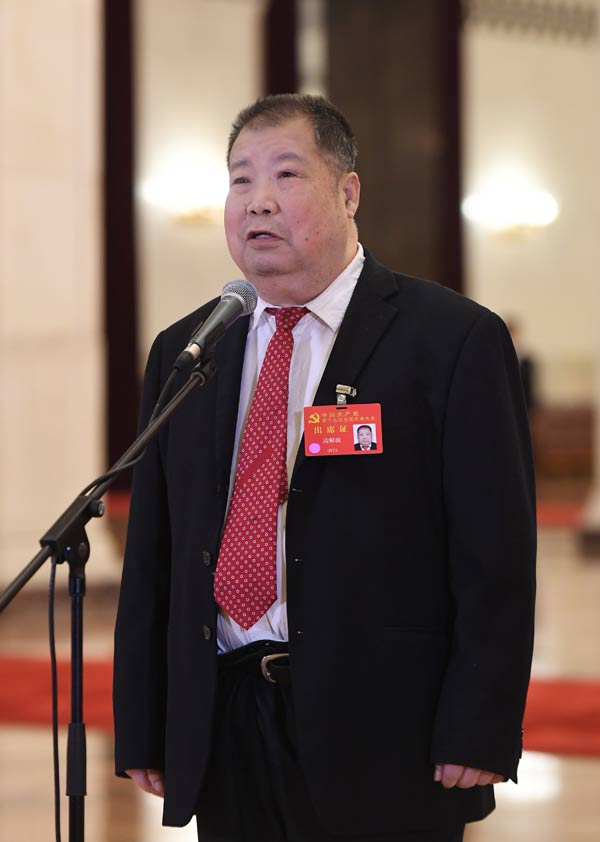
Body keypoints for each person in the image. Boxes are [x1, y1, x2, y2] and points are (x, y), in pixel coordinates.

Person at [113, 94, 536, 842]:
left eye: (286, 174)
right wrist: (146, 723)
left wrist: (481, 723)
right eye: (240, 180)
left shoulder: (448, 340)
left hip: (387, 728)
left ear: (348, 193)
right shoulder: (190, 350)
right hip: (226, 720)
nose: (258, 200)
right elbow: (155, 553)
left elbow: (494, 554)